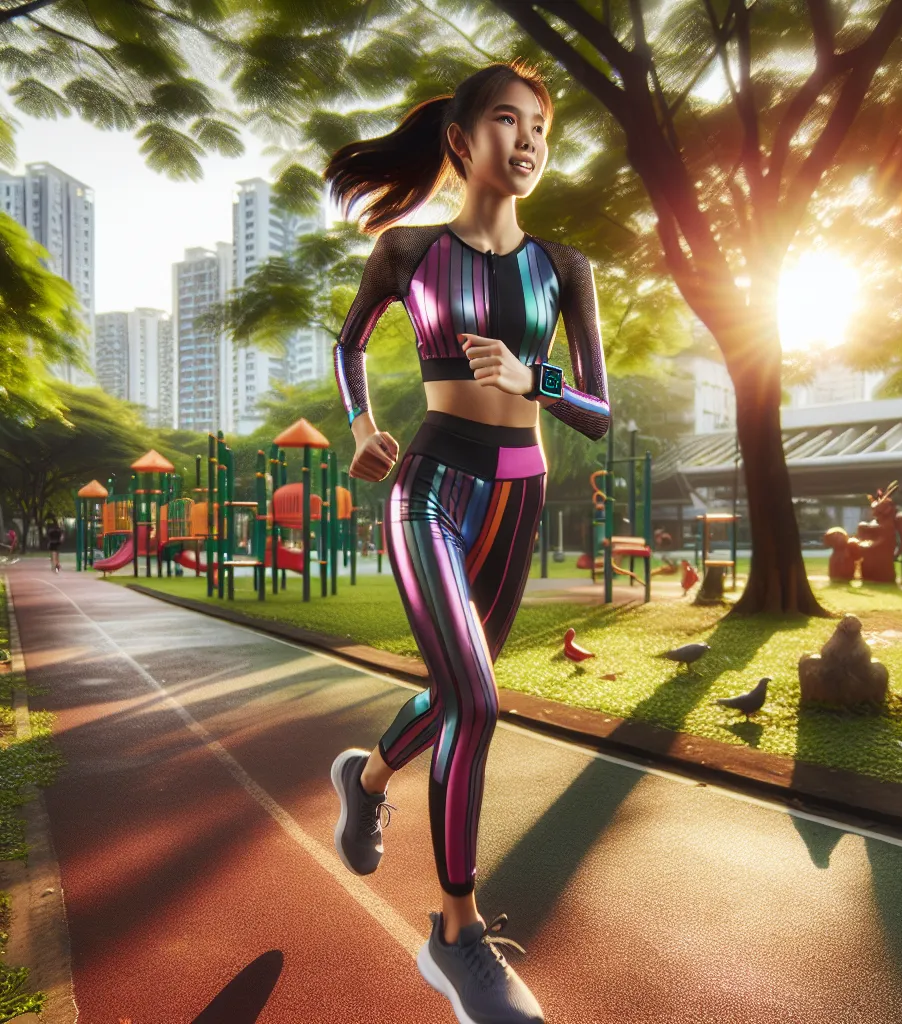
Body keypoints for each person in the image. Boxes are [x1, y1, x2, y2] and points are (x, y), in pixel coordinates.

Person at [325, 60, 610, 1024]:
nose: (528, 141)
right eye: (507, 120)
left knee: (457, 692)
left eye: (541, 128)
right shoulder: (407, 252)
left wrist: (538, 380)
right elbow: (349, 342)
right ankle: (455, 935)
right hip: (431, 489)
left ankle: (364, 781)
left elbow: (600, 412)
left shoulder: (566, 268)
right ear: (461, 139)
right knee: (478, 701)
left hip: (518, 499)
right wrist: (362, 425)